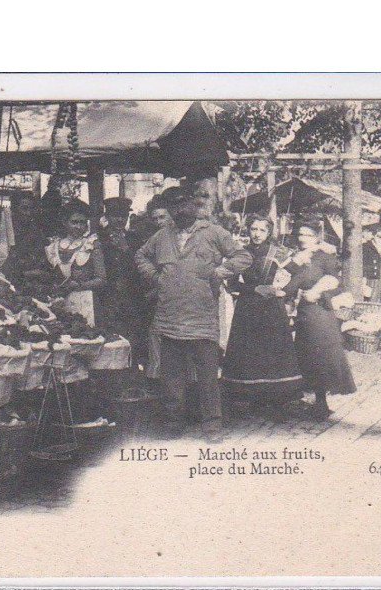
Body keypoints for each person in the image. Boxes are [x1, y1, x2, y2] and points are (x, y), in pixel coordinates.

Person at [135, 182, 253, 439]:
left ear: (193, 205)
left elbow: (243, 257)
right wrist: (156, 277)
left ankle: (212, 425)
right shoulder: (162, 236)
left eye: (183, 204)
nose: (179, 210)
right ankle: (173, 423)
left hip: (202, 316)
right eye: (173, 206)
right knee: (171, 375)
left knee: (207, 375)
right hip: (170, 316)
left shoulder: (213, 232)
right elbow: (141, 256)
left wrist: (220, 272)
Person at [221, 214, 303, 414]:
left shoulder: (278, 252)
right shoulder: (240, 253)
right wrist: (254, 289)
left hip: (271, 309)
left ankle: (276, 399)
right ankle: (252, 397)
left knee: (272, 352)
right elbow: (231, 283)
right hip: (247, 308)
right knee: (249, 353)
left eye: (262, 230)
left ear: (269, 232)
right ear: (248, 230)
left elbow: (299, 274)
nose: (257, 234)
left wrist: (284, 291)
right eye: (253, 229)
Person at [277, 218, 356, 419]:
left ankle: (321, 403)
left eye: (308, 235)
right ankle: (313, 401)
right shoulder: (296, 257)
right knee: (306, 355)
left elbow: (335, 281)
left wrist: (317, 291)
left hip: (319, 312)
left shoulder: (324, 257)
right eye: (300, 234)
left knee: (319, 355)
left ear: (317, 237)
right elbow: (287, 281)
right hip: (304, 312)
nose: (303, 238)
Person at [96, 197, 147, 369]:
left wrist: (126, 250)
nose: (119, 220)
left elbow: (141, 268)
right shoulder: (98, 238)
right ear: (107, 217)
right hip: (106, 296)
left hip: (131, 297)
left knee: (133, 338)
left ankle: (132, 372)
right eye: (115, 215)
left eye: (123, 216)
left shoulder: (134, 239)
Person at [44, 198, 106, 324]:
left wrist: (79, 285)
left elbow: (101, 279)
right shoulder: (53, 246)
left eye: (82, 223)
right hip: (59, 302)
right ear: (65, 223)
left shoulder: (91, 244)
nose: (78, 226)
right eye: (74, 222)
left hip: (85, 301)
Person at [1, 192, 48, 284]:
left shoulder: (37, 234)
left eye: (31, 209)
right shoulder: (5, 230)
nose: (29, 213)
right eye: (24, 208)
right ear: (14, 210)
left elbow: (42, 265)